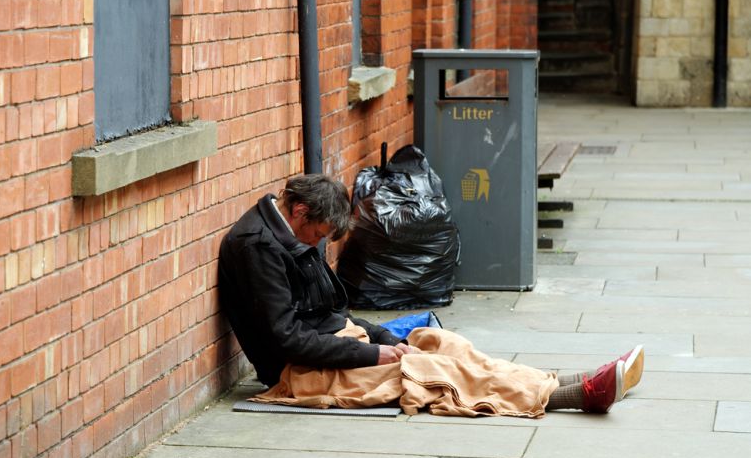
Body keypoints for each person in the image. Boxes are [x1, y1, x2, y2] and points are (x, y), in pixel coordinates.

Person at [218, 174, 644, 417]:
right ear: (298, 212)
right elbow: (286, 339)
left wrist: (383, 339)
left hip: (335, 345)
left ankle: (561, 379)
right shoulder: (258, 248)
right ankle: (579, 395)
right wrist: (373, 356)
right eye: (319, 234)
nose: (319, 244)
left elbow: (332, 313)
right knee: (432, 371)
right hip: (298, 372)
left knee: (443, 342)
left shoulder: (289, 235)